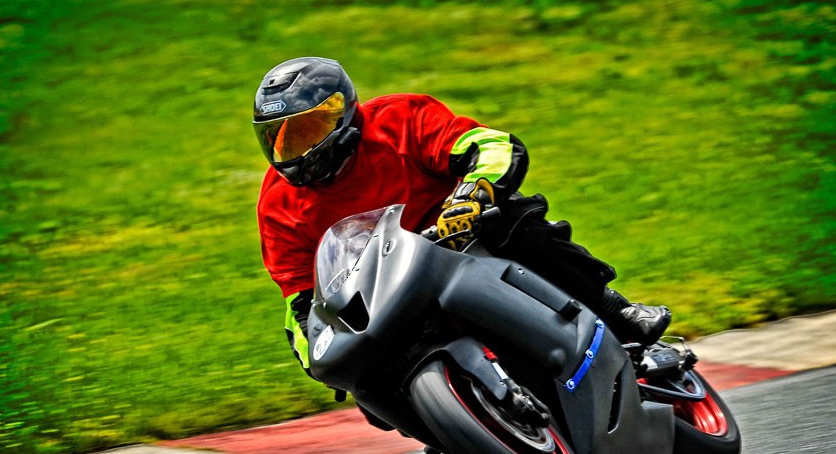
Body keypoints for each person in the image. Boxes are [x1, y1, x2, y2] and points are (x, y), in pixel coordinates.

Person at [254, 57, 671, 375]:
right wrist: (316, 350)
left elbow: (492, 146)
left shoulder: (401, 118)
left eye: (305, 131)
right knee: (355, 368)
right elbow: (299, 298)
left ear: (343, 112)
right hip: (383, 291)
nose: (292, 150)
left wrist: (472, 196)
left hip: (460, 238)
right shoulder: (276, 204)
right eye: (280, 138)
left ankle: (616, 312)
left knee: (513, 219)